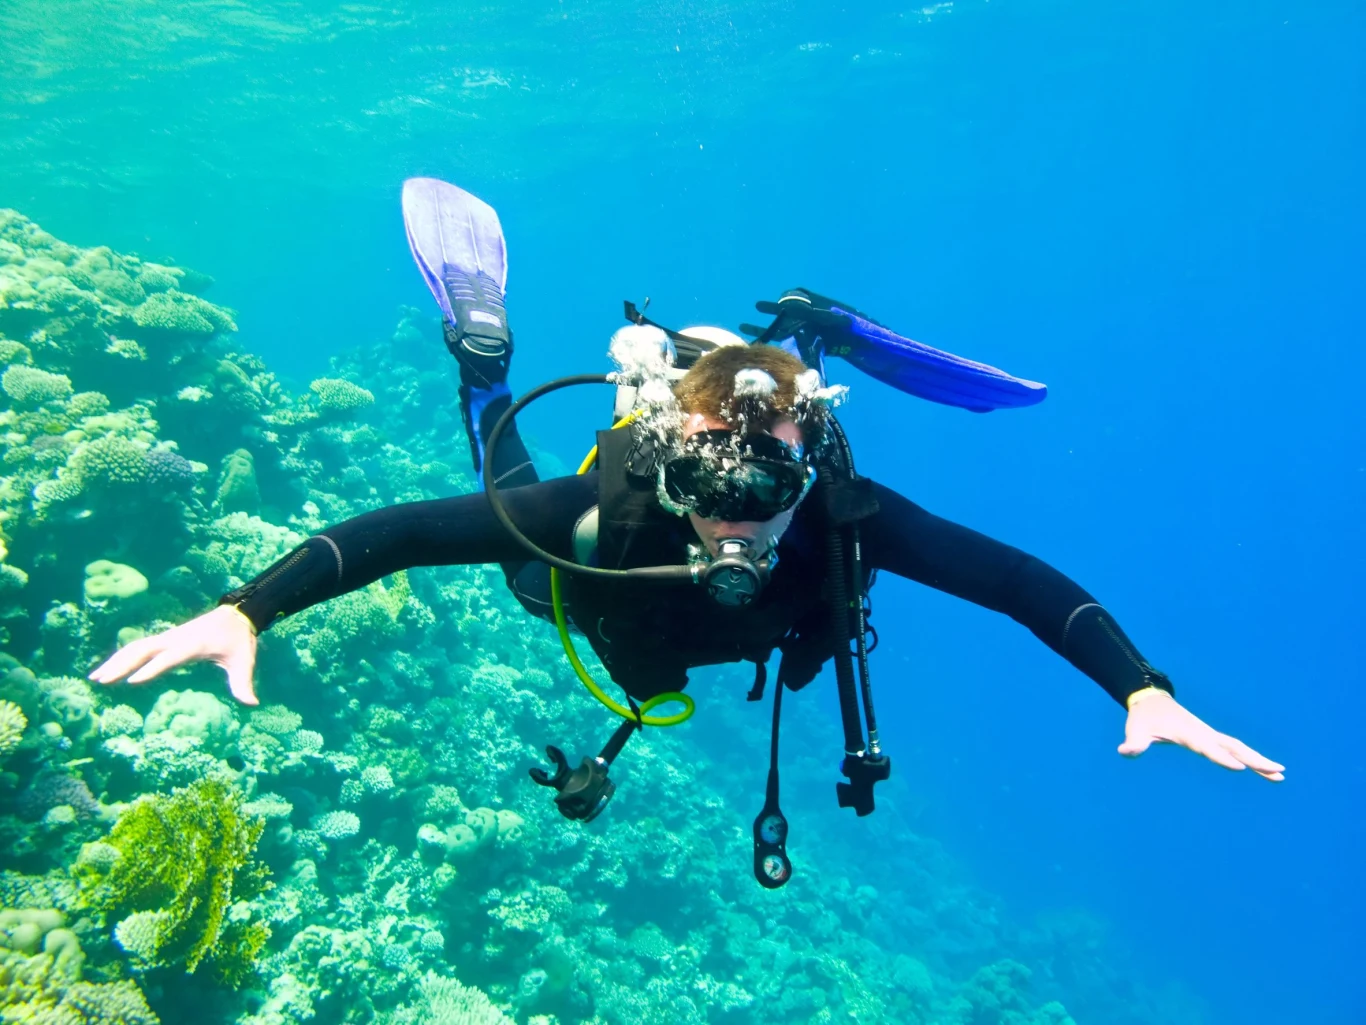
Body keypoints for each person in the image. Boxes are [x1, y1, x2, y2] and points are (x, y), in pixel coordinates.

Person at [88, 179, 1283, 882]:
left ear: (802, 480)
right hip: (606, 564)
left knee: (765, 405)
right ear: (664, 463)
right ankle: (483, 360)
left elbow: (1018, 581)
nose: (741, 530)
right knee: (502, 485)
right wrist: (248, 606)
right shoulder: (602, 507)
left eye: (768, 503)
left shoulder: (837, 512)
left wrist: (1140, 686)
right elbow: (398, 533)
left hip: (741, 477)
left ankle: (795, 344)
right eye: (716, 497)